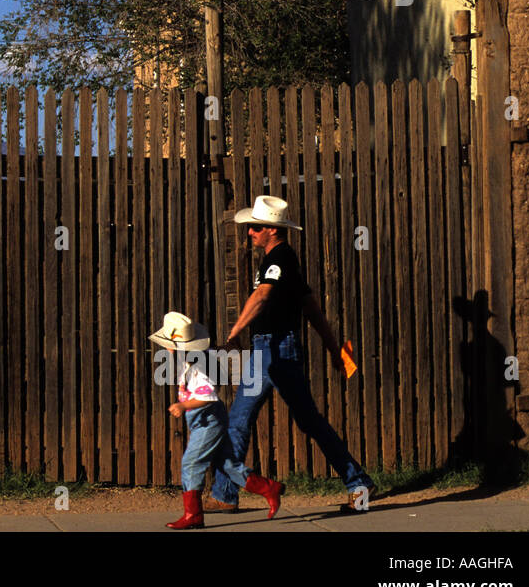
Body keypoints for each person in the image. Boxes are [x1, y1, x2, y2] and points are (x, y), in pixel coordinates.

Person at [207, 195, 376, 513]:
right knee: (299, 420)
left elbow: (261, 296)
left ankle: (224, 493)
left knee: (242, 420)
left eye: (256, 227)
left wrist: (233, 333)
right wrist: (334, 349)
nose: (250, 232)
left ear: (272, 229)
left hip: (272, 350)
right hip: (271, 349)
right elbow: (311, 308)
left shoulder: (280, 258)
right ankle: (358, 483)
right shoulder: (284, 261)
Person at [151, 311, 283, 529]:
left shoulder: (197, 366)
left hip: (208, 420)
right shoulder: (195, 354)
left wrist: (183, 405)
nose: (165, 348)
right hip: (208, 419)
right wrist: (229, 347)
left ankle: (193, 515)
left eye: (167, 343)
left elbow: (206, 396)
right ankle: (269, 488)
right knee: (227, 465)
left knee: (191, 463)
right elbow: (218, 351)